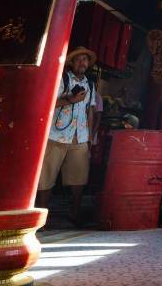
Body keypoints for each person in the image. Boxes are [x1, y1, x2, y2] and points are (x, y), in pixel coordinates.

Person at [36, 47, 98, 223]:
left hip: (80, 137)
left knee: (79, 178)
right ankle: (41, 217)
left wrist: (90, 138)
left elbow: (90, 111)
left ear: (88, 64)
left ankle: (75, 213)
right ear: (72, 63)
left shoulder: (90, 85)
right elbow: (48, 103)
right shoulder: (62, 79)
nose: (81, 62)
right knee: (46, 177)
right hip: (56, 135)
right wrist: (70, 99)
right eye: (78, 59)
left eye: (84, 59)